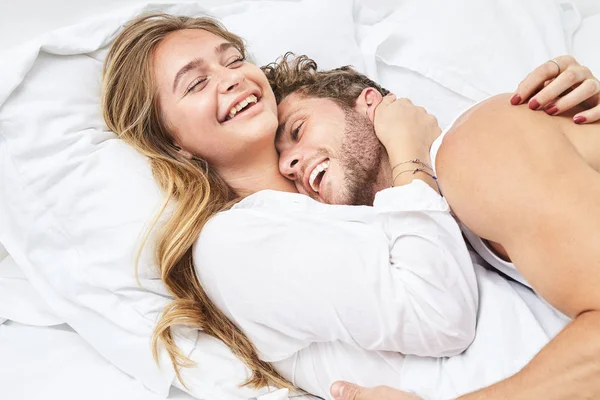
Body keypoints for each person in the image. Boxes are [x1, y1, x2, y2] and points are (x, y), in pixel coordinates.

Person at [102, 13, 599, 400]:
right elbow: (440, 314)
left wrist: (569, 135)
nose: (229, 78)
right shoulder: (235, 241)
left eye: (233, 61)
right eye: (194, 83)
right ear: (174, 142)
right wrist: (409, 155)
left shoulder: (364, 206)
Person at [268, 54, 600, 399]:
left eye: (297, 130)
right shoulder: (449, 235)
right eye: (283, 168)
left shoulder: (472, 148)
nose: (289, 164)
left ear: (370, 104)